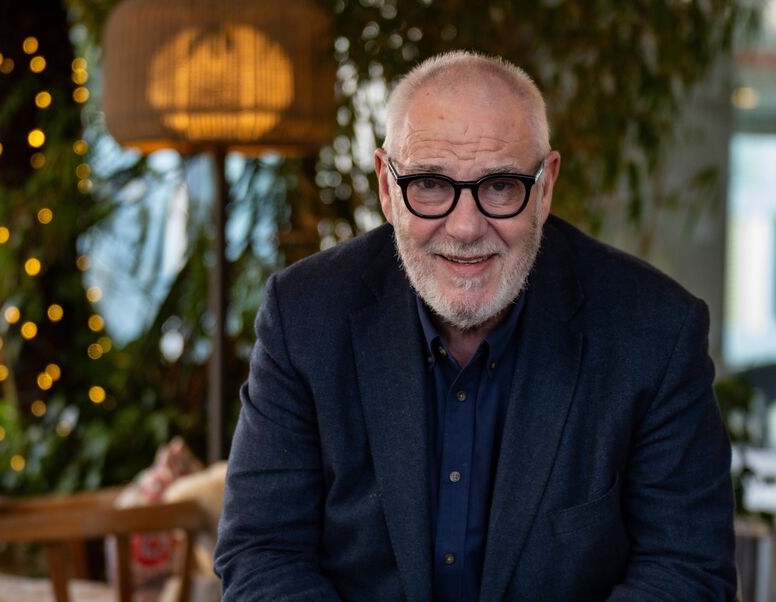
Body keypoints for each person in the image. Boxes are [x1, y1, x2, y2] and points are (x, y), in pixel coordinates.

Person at [214, 51, 736, 601]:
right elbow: (262, 552)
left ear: (545, 187)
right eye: (431, 185)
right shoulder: (304, 316)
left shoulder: (654, 331)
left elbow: (686, 570)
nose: (465, 227)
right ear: (388, 190)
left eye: (501, 186)